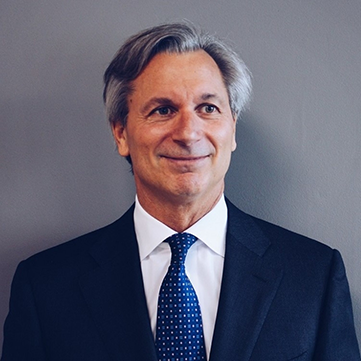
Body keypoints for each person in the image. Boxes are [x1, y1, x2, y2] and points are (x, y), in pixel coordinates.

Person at [1, 22, 360, 361]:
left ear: (232, 129)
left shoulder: (314, 276)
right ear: (121, 133)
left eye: (208, 108)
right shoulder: (45, 287)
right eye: (163, 109)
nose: (189, 133)